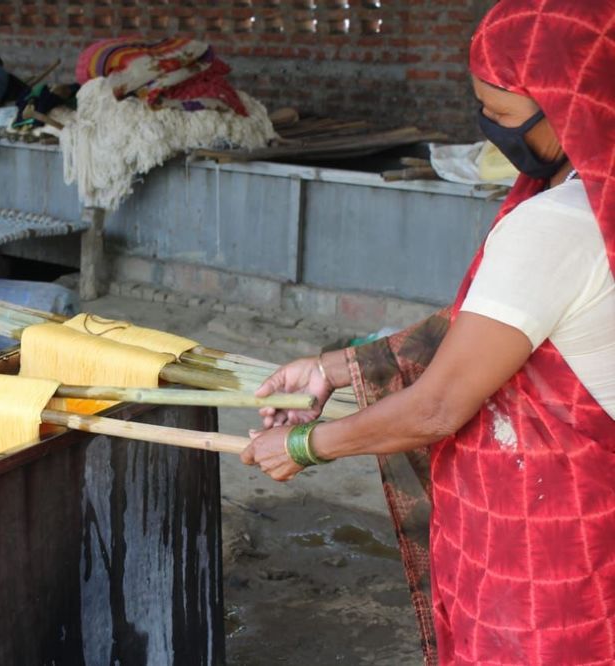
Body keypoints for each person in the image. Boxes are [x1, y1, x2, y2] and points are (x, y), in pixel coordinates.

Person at [243, 1, 615, 664]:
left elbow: (438, 406)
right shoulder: (595, 196)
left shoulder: (557, 224)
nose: (488, 129)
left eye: (501, 116)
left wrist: (304, 444)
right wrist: (333, 368)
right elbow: (502, 328)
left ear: (570, 100)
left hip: (545, 544)